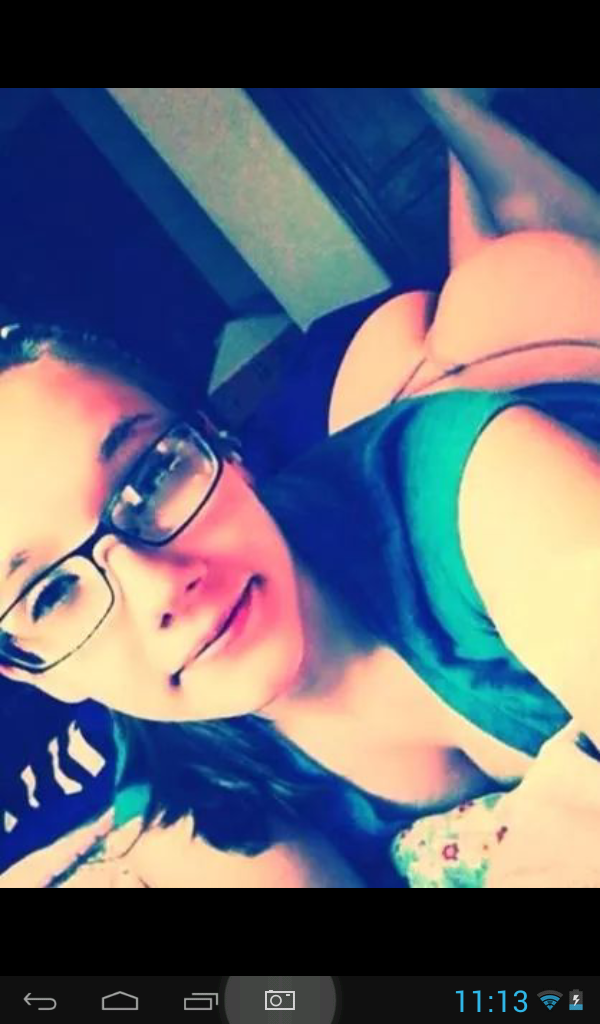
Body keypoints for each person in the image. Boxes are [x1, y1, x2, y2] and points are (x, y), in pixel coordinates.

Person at [2, 88, 600, 887]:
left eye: (151, 475)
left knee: (519, 249)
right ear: (31, 669)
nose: (159, 590)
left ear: (223, 446)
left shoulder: (493, 487)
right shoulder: (180, 798)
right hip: (388, 406)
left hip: (534, 351)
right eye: (50, 593)